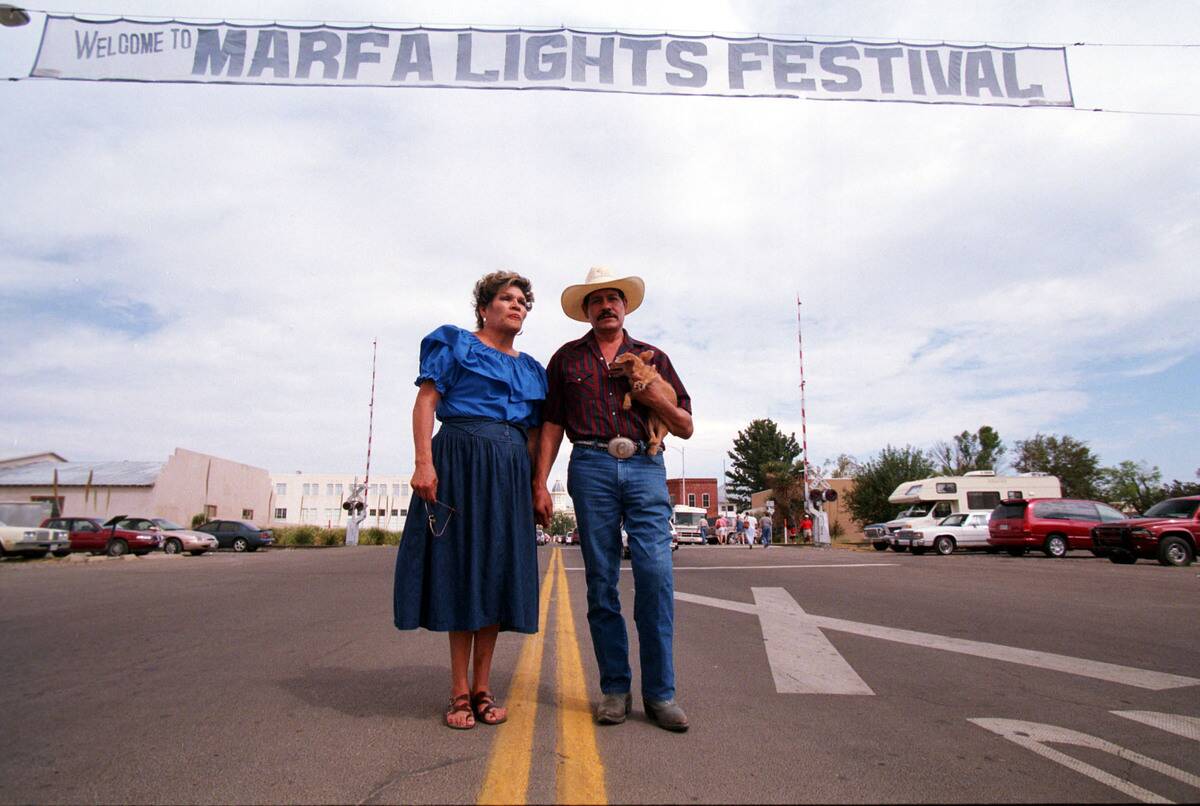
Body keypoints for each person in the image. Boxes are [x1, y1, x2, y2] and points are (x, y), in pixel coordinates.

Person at [533, 266, 693, 732]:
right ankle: (615, 690)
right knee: (601, 581)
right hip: (590, 465)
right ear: (586, 310)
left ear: (625, 307)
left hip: (646, 465)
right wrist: (539, 483)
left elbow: (684, 424)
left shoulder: (653, 356)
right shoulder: (566, 360)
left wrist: (646, 389)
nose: (607, 305)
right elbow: (551, 426)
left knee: (656, 576)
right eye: (597, 299)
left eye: (614, 298)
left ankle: (661, 694)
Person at [393, 271, 548, 730]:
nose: (517, 306)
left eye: (523, 301)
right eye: (506, 298)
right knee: (463, 571)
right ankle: (459, 692)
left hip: (510, 470)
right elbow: (426, 402)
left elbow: (537, 432)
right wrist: (424, 462)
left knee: (496, 573)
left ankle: (483, 688)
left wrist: (539, 484)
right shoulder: (455, 343)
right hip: (459, 459)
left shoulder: (531, 369)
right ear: (484, 307)